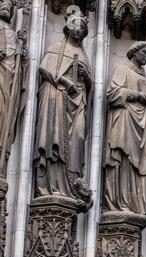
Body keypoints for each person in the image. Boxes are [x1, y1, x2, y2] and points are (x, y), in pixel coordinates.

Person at [33, 6, 93, 206]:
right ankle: (51, 185)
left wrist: (86, 78)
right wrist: (64, 82)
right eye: (75, 25)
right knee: (54, 138)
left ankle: (71, 186)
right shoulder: (57, 49)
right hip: (56, 99)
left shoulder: (84, 55)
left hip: (79, 103)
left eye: (82, 26)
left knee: (78, 137)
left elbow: (90, 85)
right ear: (67, 27)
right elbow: (44, 68)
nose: (78, 29)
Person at [103, 41, 146, 215]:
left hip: (142, 126)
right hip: (124, 120)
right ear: (135, 52)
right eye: (145, 53)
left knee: (142, 163)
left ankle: (139, 206)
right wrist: (136, 94)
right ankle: (121, 203)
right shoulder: (123, 70)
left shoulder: (144, 76)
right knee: (124, 161)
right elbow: (111, 93)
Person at [0, 0, 27, 177]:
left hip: (8, 83)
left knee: (4, 115)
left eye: (9, 4)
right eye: (2, 2)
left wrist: (22, 52)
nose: (6, 6)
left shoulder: (13, 35)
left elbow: (19, 69)